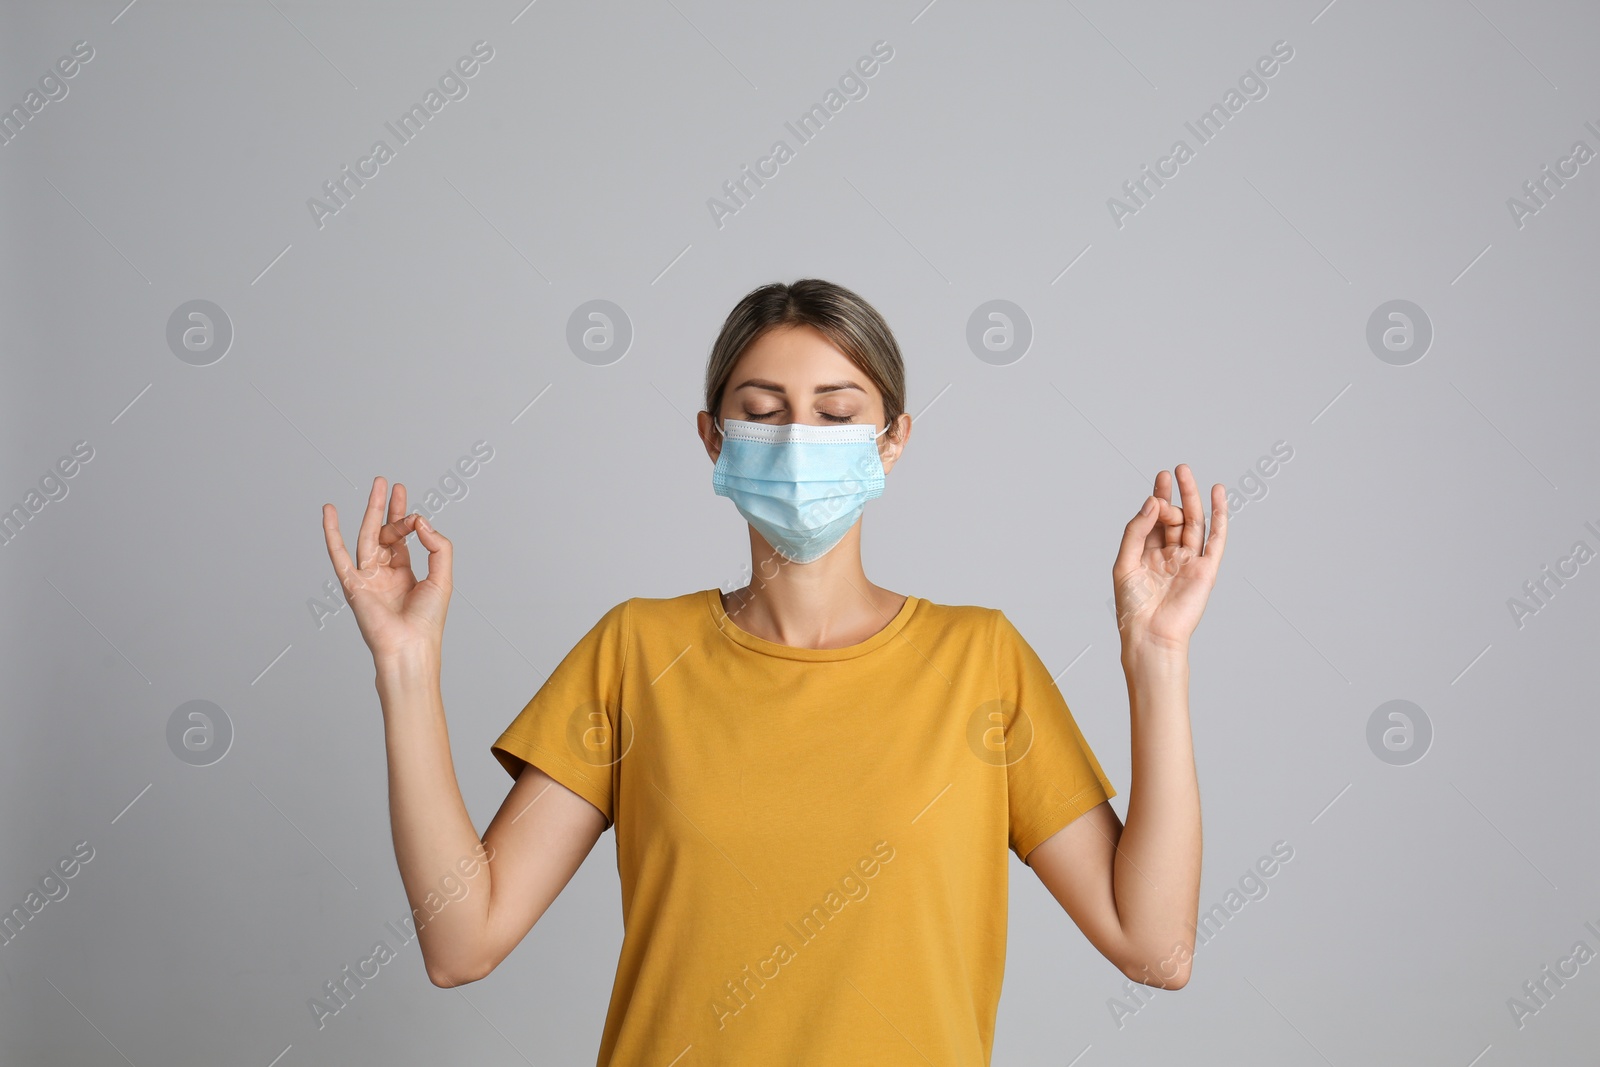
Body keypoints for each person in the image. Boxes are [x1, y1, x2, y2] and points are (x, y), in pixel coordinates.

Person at [320, 278, 1227, 1065]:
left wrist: (1157, 655)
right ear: (714, 439)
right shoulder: (636, 652)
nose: (800, 440)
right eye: (763, 411)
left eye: (837, 413)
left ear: (893, 440)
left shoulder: (980, 661)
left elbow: (1155, 948)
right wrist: (405, 667)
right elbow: (460, 938)